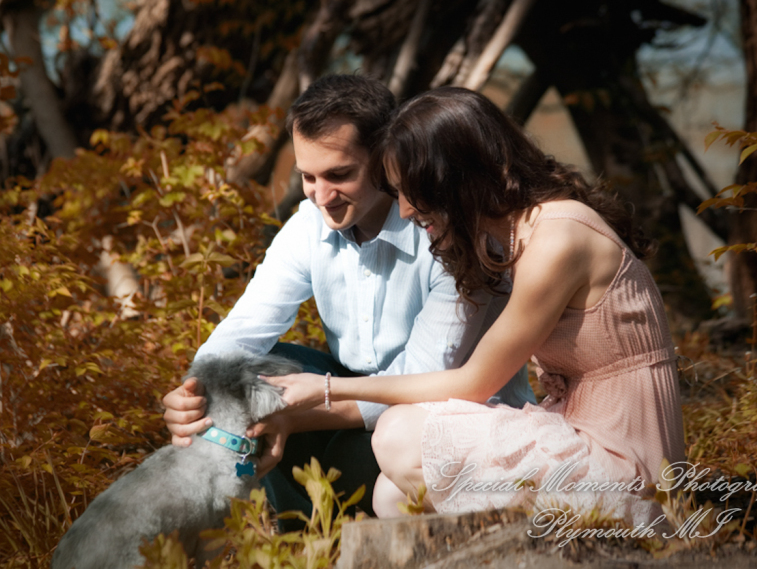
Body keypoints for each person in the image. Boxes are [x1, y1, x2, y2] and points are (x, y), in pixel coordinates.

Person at [267, 87, 685, 522]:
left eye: (415, 191)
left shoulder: (558, 238)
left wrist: (329, 388)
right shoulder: (508, 238)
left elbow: (472, 382)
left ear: (458, 178)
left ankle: (633, 527)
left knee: (398, 435)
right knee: (390, 496)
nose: (406, 211)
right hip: (575, 430)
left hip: (629, 465)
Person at [162, 76, 535, 524]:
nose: (321, 196)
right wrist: (194, 394)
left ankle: (335, 533)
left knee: (289, 415)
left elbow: (424, 378)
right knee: (249, 374)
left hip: (440, 417)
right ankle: (303, 539)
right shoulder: (307, 227)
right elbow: (240, 334)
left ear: (385, 159)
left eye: (339, 174)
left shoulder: (442, 230)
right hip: (349, 403)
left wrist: (292, 416)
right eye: (307, 176)